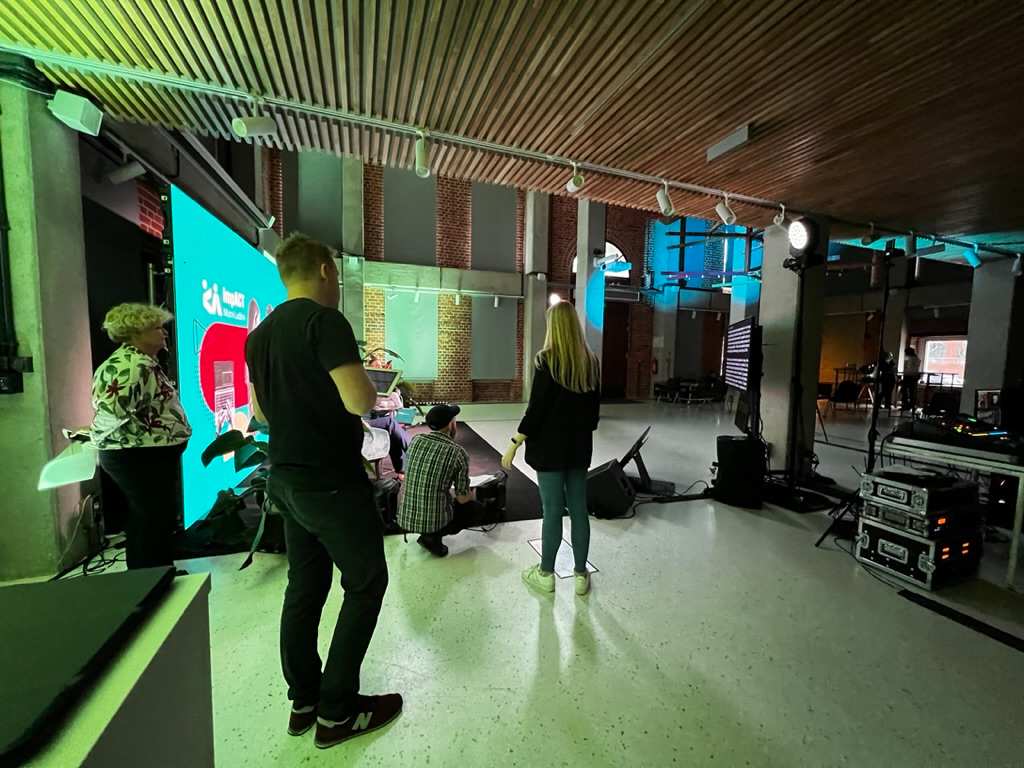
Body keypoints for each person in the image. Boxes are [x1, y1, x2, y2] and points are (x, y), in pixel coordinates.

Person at [244, 233, 401, 750]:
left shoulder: (259, 335)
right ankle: (338, 712)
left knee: (304, 588)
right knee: (365, 583)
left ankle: (304, 700)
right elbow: (359, 400)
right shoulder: (324, 321)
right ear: (325, 270)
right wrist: (370, 387)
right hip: (331, 482)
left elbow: (261, 415)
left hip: (285, 482)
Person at [502, 301, 601, 596]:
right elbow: (594, 416)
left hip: (549, 450)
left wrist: (514, 443)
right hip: (579, 448)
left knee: (553, 511)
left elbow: (537, 410)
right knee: (579, 510)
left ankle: (546, 573)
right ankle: (581, 574)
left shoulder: (546, 360)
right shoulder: (591, 362)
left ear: (553, 326)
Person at [89, 303, 191, 570]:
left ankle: (154, 573)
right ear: (136, 333)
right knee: (151, 516)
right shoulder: (132, 366)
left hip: (142, 452)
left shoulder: (138, 362)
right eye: (157, 328)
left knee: (150, 515)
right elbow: (113, 412)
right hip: (136, 454)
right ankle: (150, 577)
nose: (164, 333)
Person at [397, 404, 500, 557]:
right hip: (433, 520)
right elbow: (463, 498)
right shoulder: (457, 453)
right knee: (475, 508)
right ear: (452, 424)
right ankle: (432, 538)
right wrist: (473, 495)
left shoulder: (416, 440)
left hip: (404, 517)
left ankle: (428, 534)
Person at [366, 389, 411, 477]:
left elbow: (399, 406)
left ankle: (401, 470)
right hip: (364, 421)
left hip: (372, 420)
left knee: (393, 433)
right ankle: (413, 448)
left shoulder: (389, 393)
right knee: (390, 422)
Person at [901, 346, 921, 413]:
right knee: (907, 392)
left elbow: (910, 368)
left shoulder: (913, 358)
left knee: (910, 392)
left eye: (906, 352)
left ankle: (909, 406)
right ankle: (907, 405)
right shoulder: (913, 358)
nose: (905, 353)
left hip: (911, 377)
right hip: (909, 376)